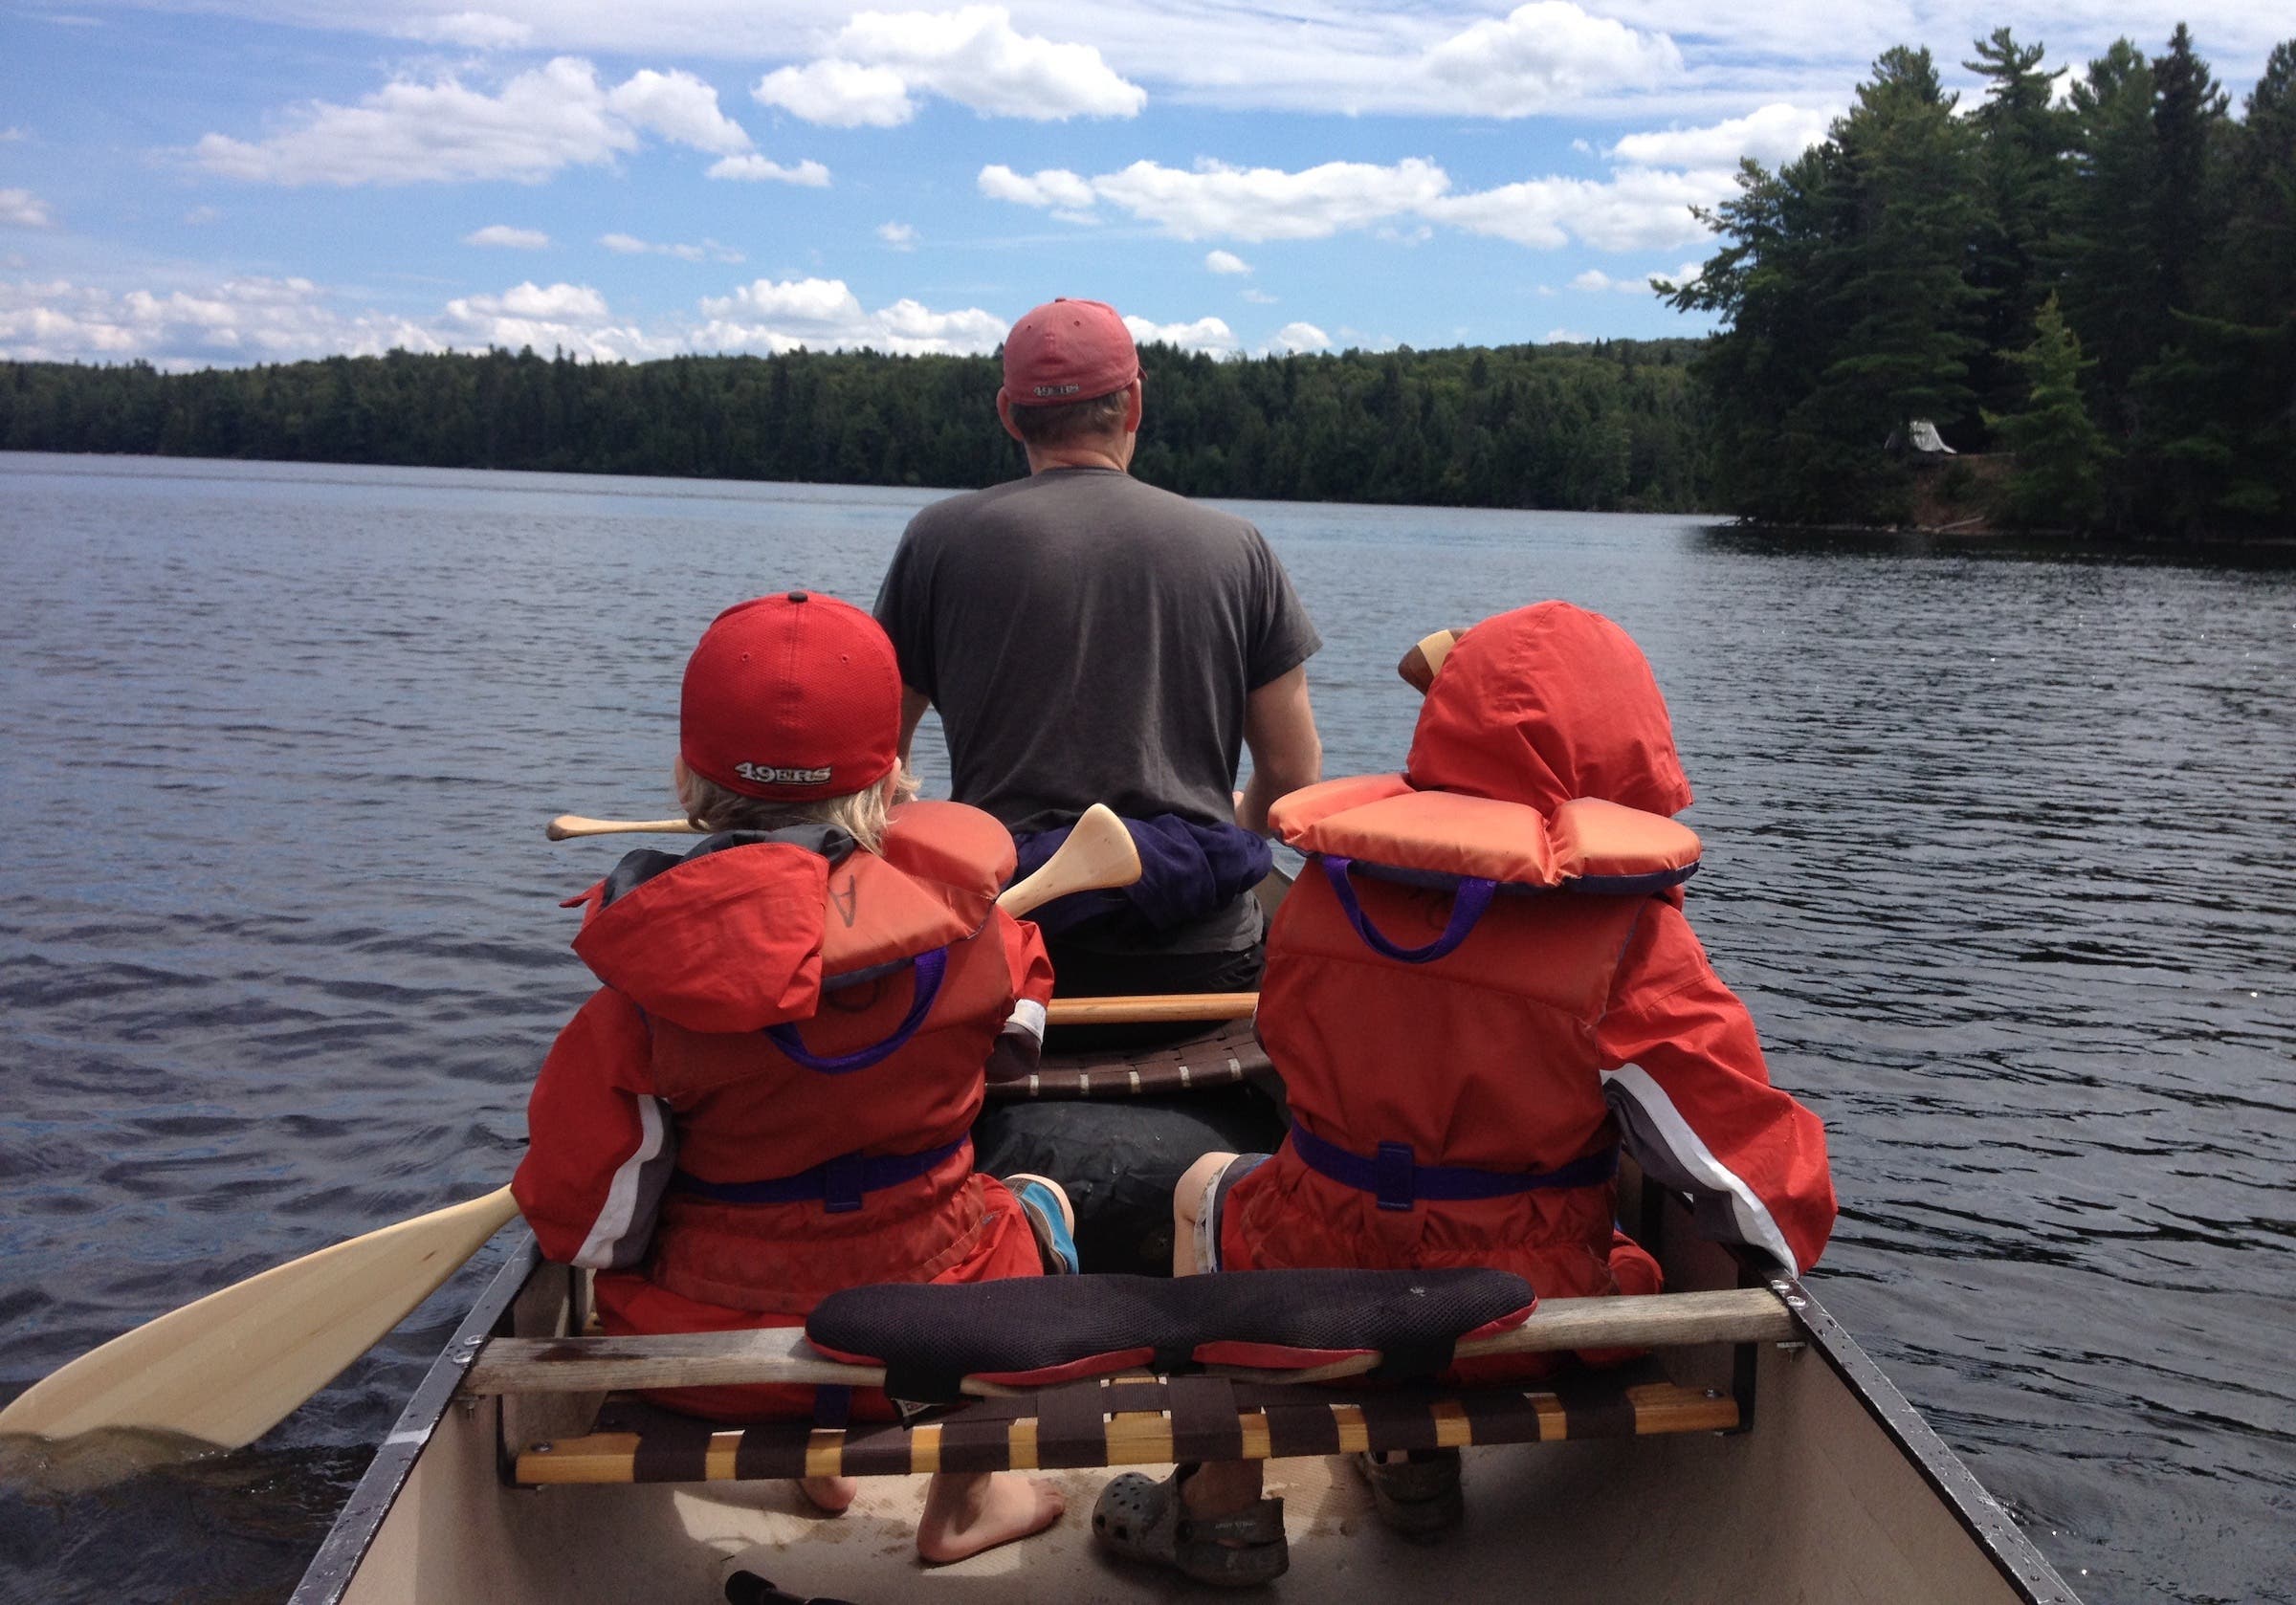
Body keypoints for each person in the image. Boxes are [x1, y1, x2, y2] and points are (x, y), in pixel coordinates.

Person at [1093, 602, 1840, 1585]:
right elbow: (1752, 1189)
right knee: (1607, 1241)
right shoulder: (1631, 941)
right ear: (1628, 759)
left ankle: (1219, 1513)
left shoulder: (1328, 886)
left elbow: (1291, 1052)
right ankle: (1414, 1470)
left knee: (1207, 1187)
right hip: (1518, 1320)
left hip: (1313, 1281)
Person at [512, 590, 1076, 1565]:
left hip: (707, 1361)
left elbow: (589, 1223)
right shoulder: (987, 943)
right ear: (898, 776)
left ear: (687, 780)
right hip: (927, 1343)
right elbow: (1017, 1039)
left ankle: (818, 1461)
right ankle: (966, 1504)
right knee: (1034, 1204)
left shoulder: (638, 1004)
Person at [872, 297, 1324, 1270]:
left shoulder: (938, 541)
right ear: (1133, 405)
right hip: (1199, 968)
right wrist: (1211, 852)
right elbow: (1290, 784)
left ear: (1007, 413)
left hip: (1016, 963)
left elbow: (880, 770)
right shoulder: (1237, 548)